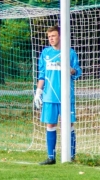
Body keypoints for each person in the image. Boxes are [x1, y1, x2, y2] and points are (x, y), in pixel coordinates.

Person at [34, 25, 82, 165]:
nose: (51, 39)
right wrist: (38, 92)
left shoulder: (70, 53)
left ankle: (71, 157)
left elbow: (77, 72)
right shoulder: (45, 53)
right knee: (50, 125)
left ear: (60, 36)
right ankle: (51, 157)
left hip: (66, 96)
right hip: (49, 96)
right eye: (49, 37)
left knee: (69, 124)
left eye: (53, 36)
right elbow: (42, 74)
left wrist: (70, 70)